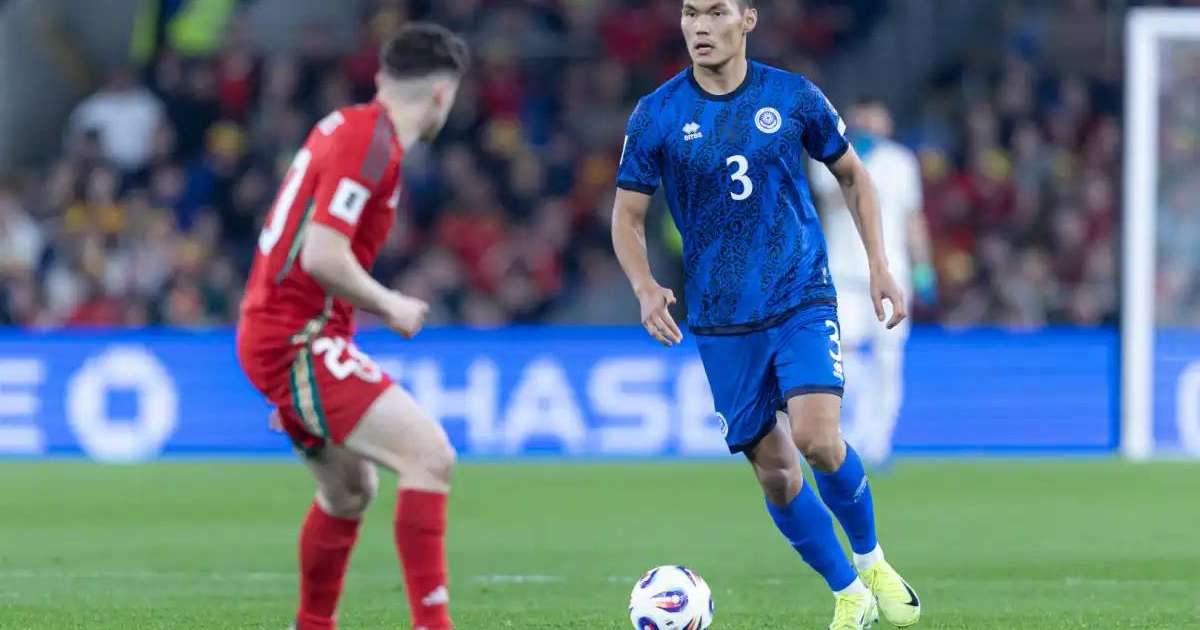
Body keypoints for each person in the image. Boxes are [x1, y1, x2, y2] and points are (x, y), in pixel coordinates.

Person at [610, 2, 922, 628]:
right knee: (777, 473)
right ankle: (848, 593)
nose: (699, 26)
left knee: (817, 439)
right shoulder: (657, 115)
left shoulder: (794, 96)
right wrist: (645, 286)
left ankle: (874, 560)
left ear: (747, 19)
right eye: (689, 13)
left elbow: (855, 177)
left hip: (800, 293)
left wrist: (881, 264)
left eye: (714, 12)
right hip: (722, 318)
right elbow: (628, 215)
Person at [236, 24, 468, 630]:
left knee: (349, 492)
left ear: (382, 78)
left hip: (288, 334)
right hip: (294, 339)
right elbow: (321, 255)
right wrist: (391, 304)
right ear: (444, 95)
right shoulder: (372, 142)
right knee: (430, 456)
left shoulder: (348, 128)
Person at [810, 97, 935, 468]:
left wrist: (923, 267)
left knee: (888, 360)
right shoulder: (827, 157)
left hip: (891, 276)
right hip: (844, 277)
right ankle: (836, 436)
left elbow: (913, 217)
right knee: (839, 359)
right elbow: (831, 198)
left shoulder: (901, 163)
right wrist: (852, 162)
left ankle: (878, 441)